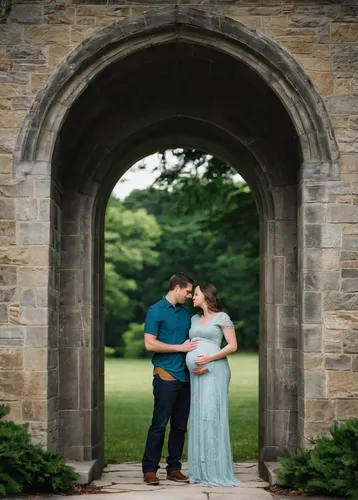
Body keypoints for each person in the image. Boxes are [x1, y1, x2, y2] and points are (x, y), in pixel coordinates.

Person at [142, 272, 198, 486]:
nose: (189, 295)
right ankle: (149, 469)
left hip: (186, 376)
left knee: (180, 426)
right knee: (159, 424)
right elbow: (149, 344)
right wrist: (178, 348)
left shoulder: (185, 315)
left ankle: (174, 468)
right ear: (176, 288)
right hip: (165, 374)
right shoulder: (155, 311)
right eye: (187, 291)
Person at [186, 283, 239, 487]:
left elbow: (232, 346)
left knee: (211, 416)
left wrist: (208, 359)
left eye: (196, 294)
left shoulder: (222, 317)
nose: (193, 297)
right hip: (197, 374)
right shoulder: (193, 318)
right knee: (199, 417)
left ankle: (215, 469)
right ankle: (200, 469)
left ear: (206, 296)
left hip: (215, 370)